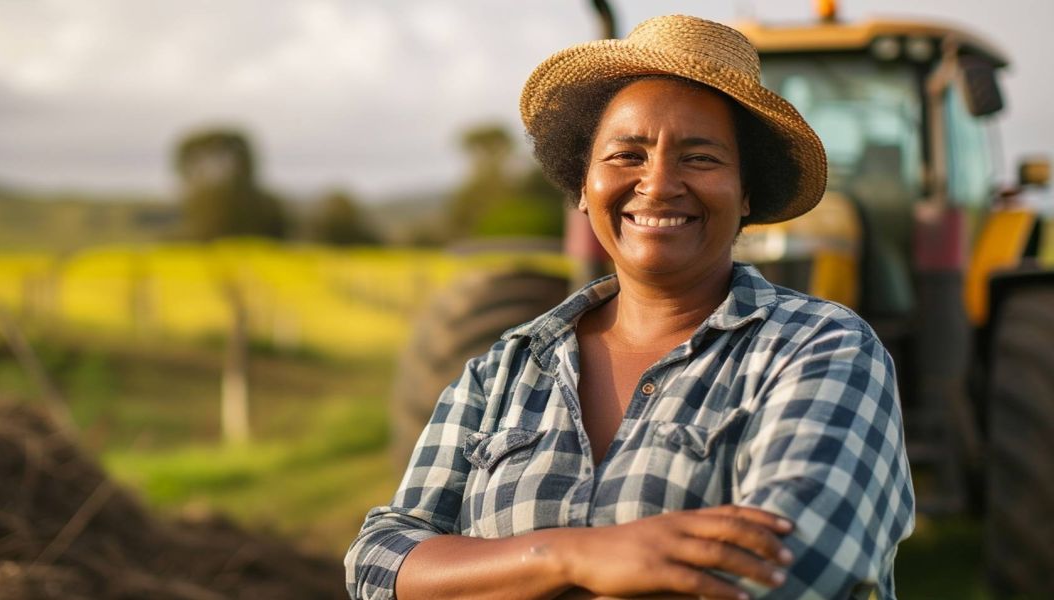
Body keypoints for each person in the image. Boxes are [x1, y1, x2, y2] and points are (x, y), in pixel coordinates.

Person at [346, 14, 914, 600]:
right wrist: (568, 555)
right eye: (626, 155)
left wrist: (486, 574)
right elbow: (378, 560)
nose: (660, 183)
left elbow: (782, 575)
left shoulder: (822, 349)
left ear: (747, 192)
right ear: (584, 180)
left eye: (700, 157)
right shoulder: (502, 372)